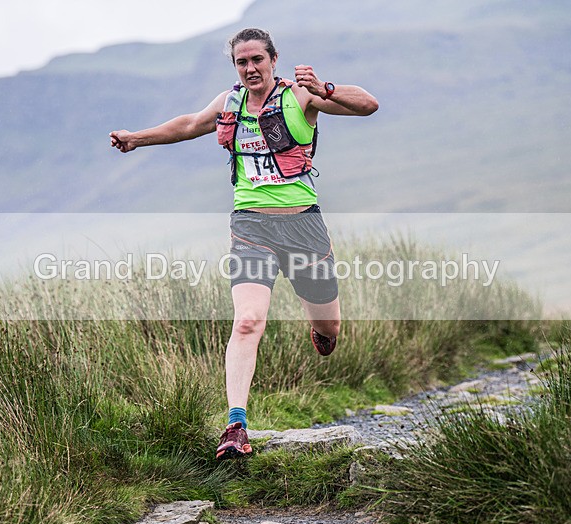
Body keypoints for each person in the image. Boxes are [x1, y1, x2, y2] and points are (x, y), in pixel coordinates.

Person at [110, 28, 378, 459]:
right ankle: (236, 425)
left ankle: (321, 330)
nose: (251, 68)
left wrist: (324, 86)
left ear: (273, 59)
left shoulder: (301, 96)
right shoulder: (229, 102)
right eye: (242, 62)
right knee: (248, 321)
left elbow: (368, 105)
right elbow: (188, 126)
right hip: (251, 227)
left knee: (329, 326)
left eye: (257, 60)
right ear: (235, 66)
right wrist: (137, 138)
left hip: (303, 226)